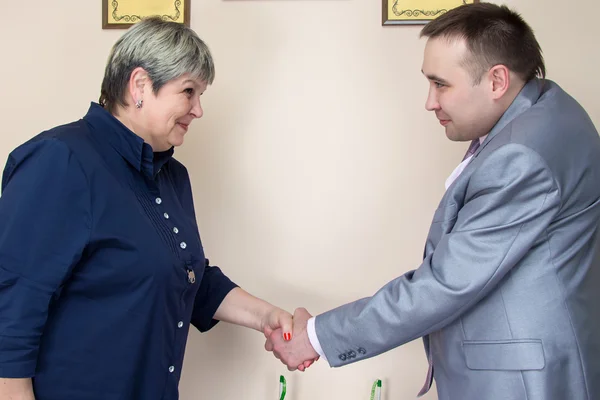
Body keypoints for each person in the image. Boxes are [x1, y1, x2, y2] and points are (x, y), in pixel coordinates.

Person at [266, 3, 600, 399]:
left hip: (522, 383)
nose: (430, 101)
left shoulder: (521, 156)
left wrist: (317, 336)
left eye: (441, 84)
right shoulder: (546, 110)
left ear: (496, 81)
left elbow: (446, 283)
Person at [0, 17, 296, 400]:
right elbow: (12, 307)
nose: (198, 110)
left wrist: (267, 318)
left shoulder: (173, 177)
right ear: (140, 85)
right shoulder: (61, 160)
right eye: (188, 91)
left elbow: (189, 277)